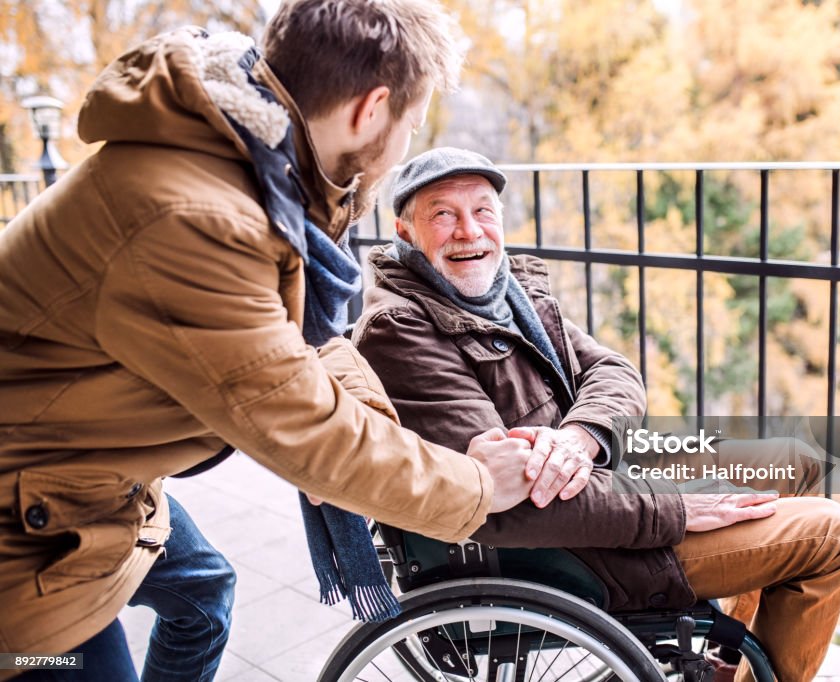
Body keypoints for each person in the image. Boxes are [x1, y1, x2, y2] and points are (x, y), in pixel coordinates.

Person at [0, 4, 538, 680]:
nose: (405, 145)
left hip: (86, 476)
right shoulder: (193, 220)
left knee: (202, 593)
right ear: (373, 110)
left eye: (485, 210)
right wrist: (478, 486)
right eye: (413, 123)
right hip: (23, 540)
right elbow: (308, 431)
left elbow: (313, 346)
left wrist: (395, 435)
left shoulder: (258, 165)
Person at [352, 146, 840, 682]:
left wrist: (580, 436)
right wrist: (679, 509)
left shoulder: (506, 295)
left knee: (795, 462)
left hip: (604, 478)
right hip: (580, 543)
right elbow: (503, 504)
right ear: (405, 232)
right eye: (442, 214)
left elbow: (614, 372)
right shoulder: (401, 330)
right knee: (832, 536)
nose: (469, 230)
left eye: (483, 210)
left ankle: (728, 668)